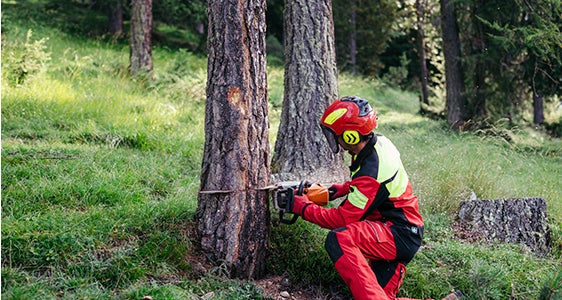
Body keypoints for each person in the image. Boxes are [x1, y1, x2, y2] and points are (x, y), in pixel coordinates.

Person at [288, 96, 461, 300]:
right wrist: (334, 190)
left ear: (351, 136)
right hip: (400, 230)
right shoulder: (379, 144)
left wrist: (302, 207)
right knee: (378, 296)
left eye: (336, 136)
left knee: (340, 238)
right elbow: (372, 187)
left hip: (397, 233)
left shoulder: (372, 170)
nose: (334, 141)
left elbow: (342, 219)